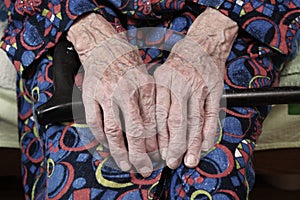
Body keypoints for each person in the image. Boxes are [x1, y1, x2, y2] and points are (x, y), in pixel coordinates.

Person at [1, 0, 300, 199]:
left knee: (208, 171)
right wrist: (90, 37)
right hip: (73, 17)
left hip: (227, 14)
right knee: (85, 173)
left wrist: (215, 32)